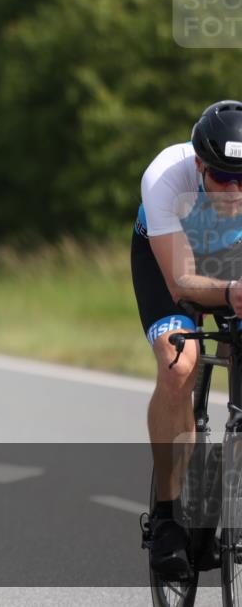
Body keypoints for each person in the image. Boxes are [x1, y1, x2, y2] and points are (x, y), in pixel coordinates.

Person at [134, 100, 242, 577]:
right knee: (180, 363)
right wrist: (231, 293)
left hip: (232, 257)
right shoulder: (166, 176)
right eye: (222, 177)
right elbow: (180, 283)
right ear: (200, 165)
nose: (233, 191)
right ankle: (167, 517)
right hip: (172, 258)